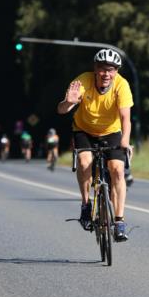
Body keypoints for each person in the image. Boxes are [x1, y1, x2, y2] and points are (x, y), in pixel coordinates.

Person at [57, 47, 133, 242]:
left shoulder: (122, 85)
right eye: (102, 69)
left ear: (116, 71)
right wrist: (68, 102)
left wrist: (125, 141)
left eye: (111, 70)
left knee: (117, 170)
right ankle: (85, 205)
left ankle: (119, 221)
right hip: (84, 130)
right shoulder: (83, 81)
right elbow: (61, 110)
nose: (106, 74)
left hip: (111, 131)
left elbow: (126, 118)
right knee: (84, 163)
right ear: (95, 69)